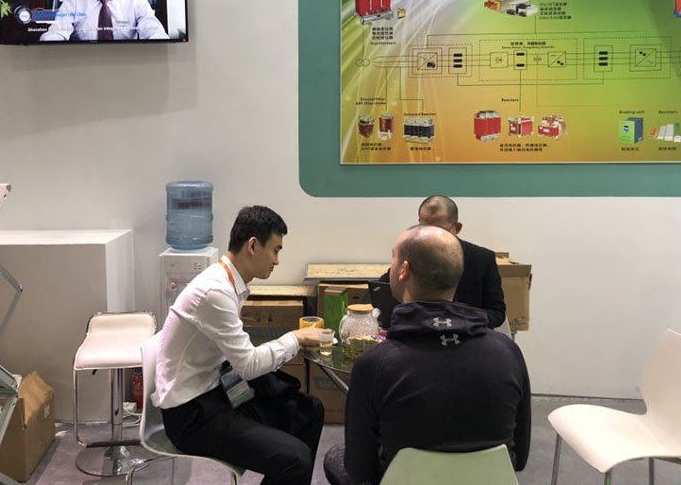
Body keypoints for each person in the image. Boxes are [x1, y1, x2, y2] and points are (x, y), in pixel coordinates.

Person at [325, 226, 531, 485]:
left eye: (393, 258)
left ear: (404, 270)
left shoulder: (375, 364)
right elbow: (519, 459)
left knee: (335, 456)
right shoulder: (508, 353)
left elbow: (360, 470)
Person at [153, 205, 327, 485]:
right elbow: (248, 365)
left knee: (310, 411)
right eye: (275, 250)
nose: (277, 261)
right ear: (253, 246)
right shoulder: (216, 292)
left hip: (216, 391)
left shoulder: (228, 283)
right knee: (296, 459)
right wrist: (295, 338)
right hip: (190, 414)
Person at [378, 195, 506, 328]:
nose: (432, 237)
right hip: (417, 333)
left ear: (457, 227)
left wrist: (458, 320)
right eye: (425, 229)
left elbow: (496, 313)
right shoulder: (411, 254)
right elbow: (379, 292)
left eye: (439, 231)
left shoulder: (482, 259)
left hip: (469, 335)